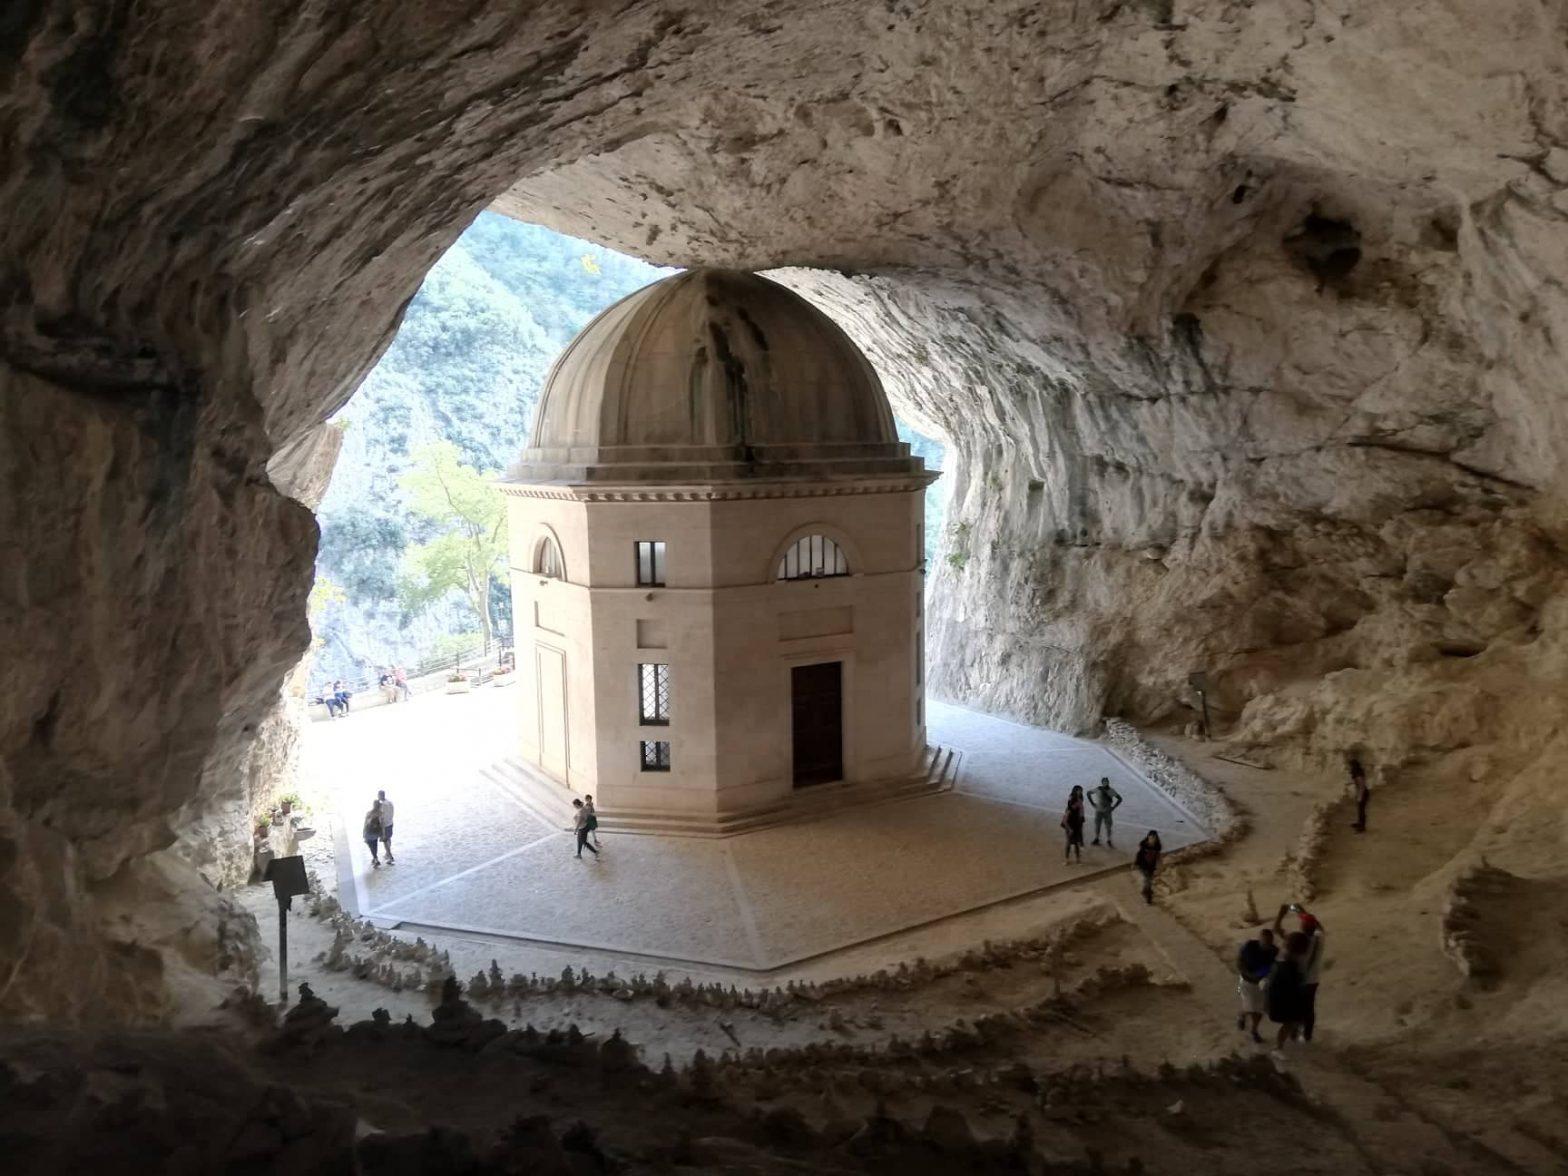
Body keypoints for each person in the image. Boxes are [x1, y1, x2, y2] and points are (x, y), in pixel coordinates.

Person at [1274, 903, 1326, 1041]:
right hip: (1313, 980)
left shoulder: (1297, 941)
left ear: (1302, 927)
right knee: (1309, 1007)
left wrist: (1281, 914)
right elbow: (1318, 926)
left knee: (1295, 1007)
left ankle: (1294, 1031)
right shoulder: (1319, 938)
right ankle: (1307, 1034)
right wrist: (1300, 911)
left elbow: (1277, 929)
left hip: (1297, 980)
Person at [1266, 930, 1313, 1051]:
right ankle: (1279, 1046)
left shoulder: (1280, 961)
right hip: (1284, 1001)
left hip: (1278, 998)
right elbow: (1296, 986)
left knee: (1290, 1023)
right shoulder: (1290, 967)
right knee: (1289, 1023)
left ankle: (1284, 1042)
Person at [1235, 928, 1278, 1043]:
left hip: (1262, 983)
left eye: (1269, 942)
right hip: (1247, 982)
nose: (1267, 944)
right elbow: (1239, 962)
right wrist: (1249, 974)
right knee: (1251, 1007)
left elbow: (1275, 967)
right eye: (1265, 941)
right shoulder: (1249, 946)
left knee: (1259, 1009)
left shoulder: (1274, 951)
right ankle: (1242, 1015)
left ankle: (1254, 1030)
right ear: (1260, 939)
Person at [1088, 776, 1123, 847]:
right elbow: (1088, 793)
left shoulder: (1110, 790)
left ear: (1108, 782)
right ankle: (1097, 838)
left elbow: (1120, 798)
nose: (1105, 783)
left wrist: (1114, 807)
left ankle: (1108, 839)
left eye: (1106, 782)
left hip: (1106, 811)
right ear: (1102, 782)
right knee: (1098, 825)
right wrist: (1092, 803)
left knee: (1108, 826)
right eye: (1104, 782)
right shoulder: (1099, 789)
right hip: (1100, 810)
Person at [1134, 830, 1162, 903]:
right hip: (1143, 866)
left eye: (1154, 838)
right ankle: (1148, 896)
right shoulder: (1144, 846)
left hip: (1151, 867)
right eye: (1151, 838)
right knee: (1148, 880)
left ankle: (1145, 890)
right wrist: (1135, 864)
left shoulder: (1157, 847)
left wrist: (1159, 866)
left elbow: (1158, 857)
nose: (1152, 840)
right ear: (1148, 837)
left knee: (1149, 880)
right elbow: (1139, 855)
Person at [1061, 785, 1086, 863]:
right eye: (1079, 790)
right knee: (1069, 842)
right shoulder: (1070, 809)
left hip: (1075, 824)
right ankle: (1067, 859)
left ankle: (1077, 859)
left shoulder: (1078, 803)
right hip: (1070, 825)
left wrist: (1081, 820)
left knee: (1075, 843)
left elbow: (1081, 811)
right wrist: (1069, 829)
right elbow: (1065, 820)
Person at [362, 801, 385, 868]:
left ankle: (375, 859)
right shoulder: (380, 814)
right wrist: (383, 834)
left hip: (368, 832)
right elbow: (382, 824)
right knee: (374, 845)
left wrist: (363, 832)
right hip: (376, 833)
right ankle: (375, 858)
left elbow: (365, 823)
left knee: (371, 845)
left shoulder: (369, 813)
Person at [1349, 757, 1369, 832]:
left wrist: (1359, 796)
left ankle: (1362, 827)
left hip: (1363, 792)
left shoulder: (1357, 774)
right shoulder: (1359, 772)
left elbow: (1361, 786)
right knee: (1360, 810)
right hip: (1363, 792)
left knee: (1361, 810)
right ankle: (1360, 823)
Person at [376, 789, 396, 864]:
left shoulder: (382, 805)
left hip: (385, 825)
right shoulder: (390, 802)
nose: (377, 796)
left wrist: (380, 826)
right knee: (388, 839)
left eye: (378, 795)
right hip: (391, 822)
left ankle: (390, 856)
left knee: (385, 840)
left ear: (380, 795)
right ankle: (387, 853)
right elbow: (392, 812)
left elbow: (381, 817)